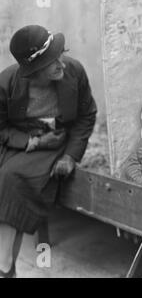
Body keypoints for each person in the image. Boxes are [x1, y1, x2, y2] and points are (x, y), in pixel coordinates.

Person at [0, 25, 97, 277]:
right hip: (21, 143)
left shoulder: (74, 71)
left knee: (11, 177)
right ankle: (4, 263)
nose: (61, 65)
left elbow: (86, 115)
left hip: (60, 142)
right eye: (52, 62)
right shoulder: (6, 83)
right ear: (33, 71)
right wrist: (32, 142)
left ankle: (4, 266)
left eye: (60, 55)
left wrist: (70, 156)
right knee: (7, 177)